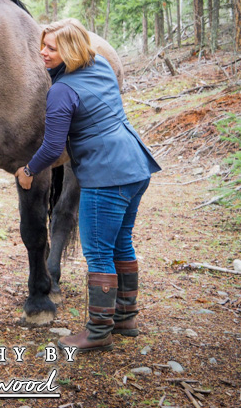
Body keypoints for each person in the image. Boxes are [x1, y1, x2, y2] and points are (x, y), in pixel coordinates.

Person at [14, 18, 161, 353]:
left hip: (107, 175)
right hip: (136, 165)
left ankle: (97, 332)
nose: (43, 52)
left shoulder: (62, 91)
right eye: (43, 44)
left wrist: (28, 170)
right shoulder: (101, 68)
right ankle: (125, 318)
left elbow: (52, 148)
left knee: (97, 252)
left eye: (51, 47)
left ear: (70, 49)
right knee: (121, 243)